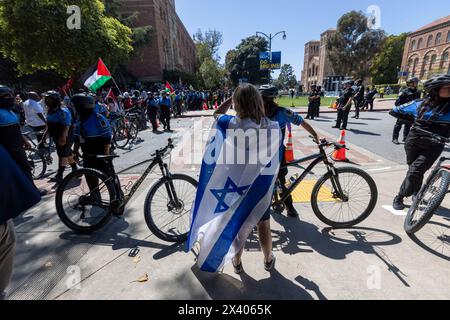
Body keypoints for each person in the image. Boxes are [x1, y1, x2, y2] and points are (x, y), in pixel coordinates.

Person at [212, 84, 280, 273]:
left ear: (237, 103)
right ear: (259, 102)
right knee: (264, 224)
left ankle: (237, 262)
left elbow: (216, 114)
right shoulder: (273, 127)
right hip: (261, 187)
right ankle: (268, 259)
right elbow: (274, 160)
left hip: (236, 184)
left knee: (238, 224)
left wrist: (230, 99)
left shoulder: (232, 123)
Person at [0, 86, 41, 300]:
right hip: (8, 154)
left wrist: (26, 143)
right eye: (4, 96)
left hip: (16, 151)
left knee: (25, 174)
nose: (8, 99)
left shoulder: (11, 113)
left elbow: (17, 132)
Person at [390, 74, 450, 210]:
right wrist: (413, 122)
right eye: (448, 87)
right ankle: (417, 192)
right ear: (436, 89)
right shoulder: (419, 104)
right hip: (414, 141)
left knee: (415, 171)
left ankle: (399, 196)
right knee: (415, 170)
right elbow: (394, 111)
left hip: (435, 145)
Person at [259, 85, 319, 218]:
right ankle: (290, 208)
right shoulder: (282, 112)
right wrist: (315, 135)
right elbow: (302, 122)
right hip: (276, 156)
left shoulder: (256, 114)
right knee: (281, 181)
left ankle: (281, 206)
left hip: (262, 156)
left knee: (267, 182)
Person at [43, 91, 77, 184]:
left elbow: (66, 125)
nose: (46, 101)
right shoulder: (50, 110)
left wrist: (63, 137)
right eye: (46, 99)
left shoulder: (63, 111)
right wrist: (45, 134)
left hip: (65, 135)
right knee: (67, 153)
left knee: (62, 154)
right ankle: (76, 170)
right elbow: (49, 124)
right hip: (56, 135)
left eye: (49, 99)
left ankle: (59, 175)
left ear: (55, 100)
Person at [392, 77, 421, 145]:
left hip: (412, 112)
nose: (416, 83)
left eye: (416, 82)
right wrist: (401, 110)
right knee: (398, 125)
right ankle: (395, 138)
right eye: (415, 82)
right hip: (403, 111)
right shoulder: (404, 92)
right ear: (411, 83)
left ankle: (405, 138)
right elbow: (397, 103)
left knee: (408, 125)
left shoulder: (418, 92)